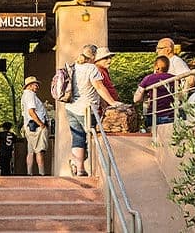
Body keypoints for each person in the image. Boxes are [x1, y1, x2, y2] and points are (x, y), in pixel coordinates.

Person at [65, 44, 122, 177]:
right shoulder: (92, 68)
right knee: (93, 137)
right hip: (87, 109)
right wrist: (112, 103)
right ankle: (98, 171)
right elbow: (99, 88)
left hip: (71, 107)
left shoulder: (74, 66)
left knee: (78, 138)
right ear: (94, 56)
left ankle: (79, 169)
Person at [134, 56, 176, 126]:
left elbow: (136, 99)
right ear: (168, 67)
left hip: (152, 116)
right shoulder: (174, 78)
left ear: (156, 67)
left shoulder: (148, 78)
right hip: (170, 116)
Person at [21, 76, 49, 176]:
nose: (37, 86)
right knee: (39, 150)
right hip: (36, 127)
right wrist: (41, 124)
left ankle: (30, 173)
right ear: (29, 86)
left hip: (30, 126)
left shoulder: (26, 96)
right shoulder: (30, 95)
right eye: (34, 84)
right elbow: (31, 111)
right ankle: (42, 174)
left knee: (31, 151)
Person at [94, 47, 120, 114]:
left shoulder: (103, 70)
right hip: (104, 109)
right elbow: (99, 89)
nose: (109, 60)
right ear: (97, 60)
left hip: (109, 107)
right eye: (106, 58)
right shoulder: (97, 71)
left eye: (110, 58)